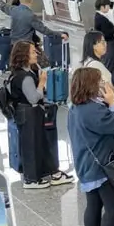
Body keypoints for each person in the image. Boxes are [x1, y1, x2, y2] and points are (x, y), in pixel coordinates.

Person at [68, 67, 114, 226]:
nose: (103, 83)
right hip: (103, 166)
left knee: (93, 205)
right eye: (99, 81)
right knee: (113, 207)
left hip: (86, 164)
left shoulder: (76, 107)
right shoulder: (93, 110)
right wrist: (113, 103)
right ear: (90, 84)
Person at [7, 41, 74, 189]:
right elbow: (33, 98)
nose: (35, 54)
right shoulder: (25, 77)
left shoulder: (20, 72)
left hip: (25, 113)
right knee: (31, 145)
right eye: (32, 52)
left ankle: (49, 172)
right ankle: (31, 179)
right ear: (24, 55)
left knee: (38, 143)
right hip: (29, 113)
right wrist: (42, 83)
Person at [2, 0, 68, 45]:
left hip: (14, 44)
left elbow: (3, 7)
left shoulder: (13, 9)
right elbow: (44, 30)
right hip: (26, 46)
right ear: (32, 0)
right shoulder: (31, 15)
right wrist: (59, 34)